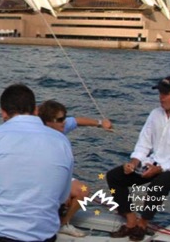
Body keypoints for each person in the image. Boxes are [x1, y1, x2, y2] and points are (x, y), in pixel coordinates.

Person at [0, 83, 74, 242]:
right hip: (42, 234)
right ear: (35, 110)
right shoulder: (62, 141)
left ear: (3, 113)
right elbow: (62, 197)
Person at [106, 75, 170, 241]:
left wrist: (159, 168)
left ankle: (143, 223)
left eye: (165, 93)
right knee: (114, 176)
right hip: (154, 162)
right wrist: (134, 162)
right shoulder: (155, 114)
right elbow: (144, 143)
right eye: (160, 93)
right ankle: (130, 220)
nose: (161, 97)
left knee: (157, 185)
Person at [38, 100, 113, 237]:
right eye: (60, 119)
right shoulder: (37, 136)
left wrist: (101, 123)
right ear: (48, 122)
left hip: (60, 176)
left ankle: (63, 223)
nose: (64, 122)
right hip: (42, 177)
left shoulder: (61, 126)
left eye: (64, 118)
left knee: (83, 190)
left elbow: (78, 121)